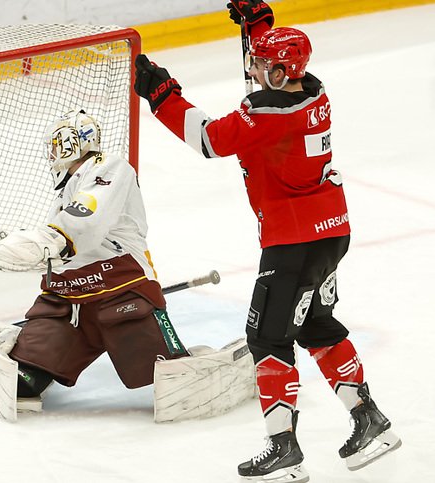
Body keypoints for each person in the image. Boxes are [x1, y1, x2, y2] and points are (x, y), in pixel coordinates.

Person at [133, 1, 401, 481]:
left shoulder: (265, 113)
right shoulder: (313, 94)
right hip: (329, 232)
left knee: (267, 338)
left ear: (278, 73)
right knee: (316, 324)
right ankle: (369, 421)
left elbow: (210, 139)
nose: (251, 67)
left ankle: (284, 450)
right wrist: (259, 28)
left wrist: (161, 94)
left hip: (292, 243)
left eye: (259, 63)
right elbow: (277, 68)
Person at [0, 109, 188, 406]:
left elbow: (87, 223)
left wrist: (46, 240)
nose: (52, 155)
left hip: (120, 292)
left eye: (55, 147)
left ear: (68, 145)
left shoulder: (110, 167)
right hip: (67, 302)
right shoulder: (63, 195)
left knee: (173, 381)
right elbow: (66, 247)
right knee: (20, 382)